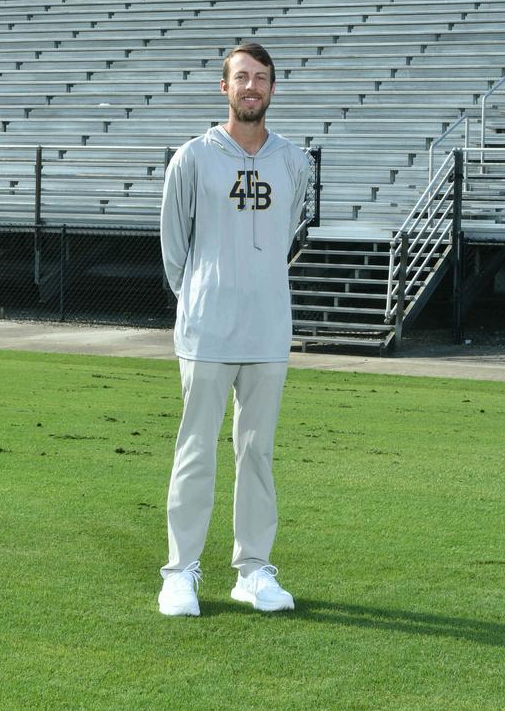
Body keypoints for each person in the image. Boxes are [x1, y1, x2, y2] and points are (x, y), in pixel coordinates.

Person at [158, 42, 310, 616]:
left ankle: (253, 571)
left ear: (272, 88)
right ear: (224, 87)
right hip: (208, 331)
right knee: (196, 451)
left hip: (268, 330)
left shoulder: (294, 162)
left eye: (261, 77)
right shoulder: (193, 158)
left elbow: (285, 235)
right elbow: (174, 248)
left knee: (258, 453)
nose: (251, 86)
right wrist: (203, 298)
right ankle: (180, 573)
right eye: (241, 77)